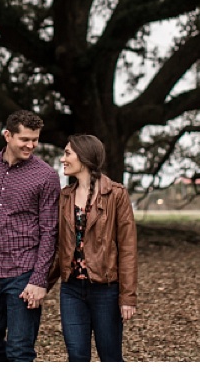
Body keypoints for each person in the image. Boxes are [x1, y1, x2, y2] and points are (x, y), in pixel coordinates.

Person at [0, 110, 62, 361]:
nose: (31, 145)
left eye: (35, 139)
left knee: (20, 348)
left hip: (24, 272)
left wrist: (39, 280)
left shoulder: (46, 176)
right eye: (24, 139)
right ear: (7, 135)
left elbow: (50, 231)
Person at [47, 134, 138, 362]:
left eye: (68, 153)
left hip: (106, 290)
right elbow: (60, 248)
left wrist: (127, 296)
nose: (62, 159)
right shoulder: (64, 197)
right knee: (77, 357)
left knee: (110, 358)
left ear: (85, 157)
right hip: (71, 290)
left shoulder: (116, 194)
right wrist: (41, 284)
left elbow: (127, 248)